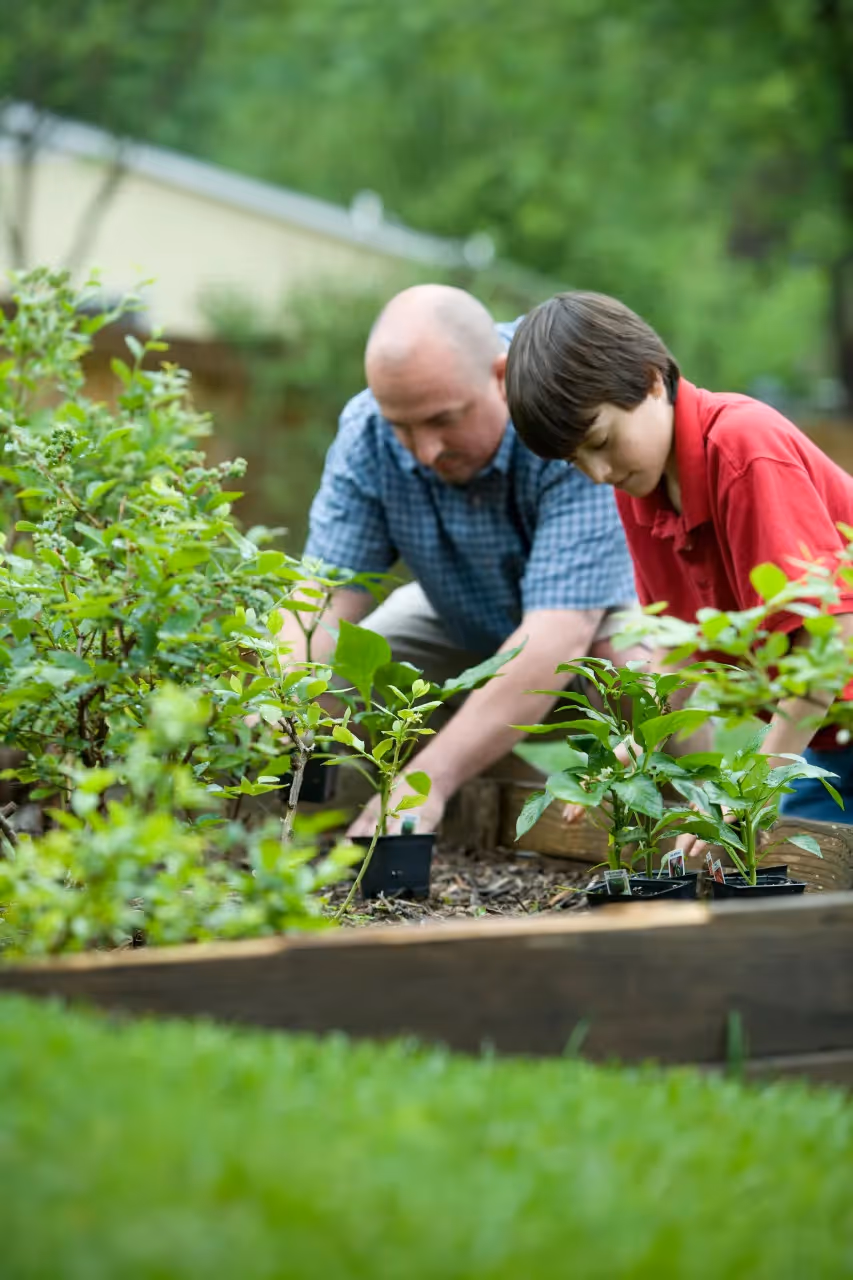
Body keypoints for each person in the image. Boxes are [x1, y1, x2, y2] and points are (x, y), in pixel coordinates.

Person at [280, 284, 638, 836]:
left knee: (641, 670)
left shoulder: (562, 402)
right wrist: (279, 694)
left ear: (500, 376)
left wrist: (428, 780)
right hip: (462, 619)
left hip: (592, 623)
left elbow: (558, 634)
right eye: (404, 427)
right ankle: (497, 807)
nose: (425, 450)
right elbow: (321, 598)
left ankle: (679, 829)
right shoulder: (368, 431)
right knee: (352, 673)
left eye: (443, 420)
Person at [504, 289, 853, 826]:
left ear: (650, 379)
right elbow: (680, 648)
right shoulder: (638, 490)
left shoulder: (741, 448)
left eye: (600, 441)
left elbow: (829, 637)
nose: (597, 473)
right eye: (575, 462)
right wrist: (634, 750)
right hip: (830, 736)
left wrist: (751, 785)